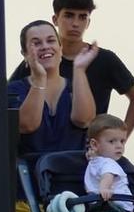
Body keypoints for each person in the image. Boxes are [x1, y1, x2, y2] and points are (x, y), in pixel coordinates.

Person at [13, 0, 134, 135]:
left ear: (88, 22)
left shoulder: (105, 59)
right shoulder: (38, 61)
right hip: (40, 147)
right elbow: (7, 101)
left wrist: (120, 139)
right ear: (55, 19)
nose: (75, 23)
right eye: (69, 15)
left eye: (82, 17)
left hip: (90, 149)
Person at [8, 22, 97, 160]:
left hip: (73, 172)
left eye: (51, 41)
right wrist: (39, 78)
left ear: (60, 48)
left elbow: (84, 120)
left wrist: (79, 69)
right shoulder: (13, 89)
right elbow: (27, 125)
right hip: (30, 173)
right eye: (36, 43)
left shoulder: (76, 85)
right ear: (25, 54)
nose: (45, 46)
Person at [80, 115, 134, 212]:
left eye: (122, 141)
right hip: (110, 207)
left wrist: (105, 187)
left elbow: (103, 172)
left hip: (106, 208)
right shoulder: (105, 162)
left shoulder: (102, 162)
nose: (119, 146)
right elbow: (103, 171)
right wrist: (105, 188)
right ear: (94, 144)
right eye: (112, 141)